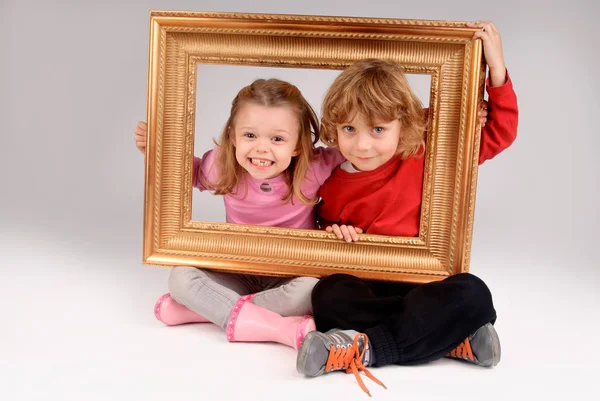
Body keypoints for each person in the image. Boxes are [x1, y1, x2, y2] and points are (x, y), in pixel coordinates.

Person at [296, 21, 518, 396]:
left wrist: (495, 72)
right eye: (349, 129)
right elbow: (324, 230)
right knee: (328, 295)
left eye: (378, 130)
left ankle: (364, 348)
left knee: (473, 293)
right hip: (371, 285)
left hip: (426, 280)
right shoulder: (332, 184)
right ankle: (448, 340)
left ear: (405, 124)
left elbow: (500, 131)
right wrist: (333, 234)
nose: (362, 145)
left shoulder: (427, 152)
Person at [134, 78, 346, 350]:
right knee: (181, 277)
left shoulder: (313, 167)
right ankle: (276, 327)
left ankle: (202, 311)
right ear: (233, 136)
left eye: (277, 139)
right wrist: (158, 150)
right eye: (250, 135)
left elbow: (358, 156)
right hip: (237, 269)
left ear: (297, 145)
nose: (261, 148)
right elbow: (192, 172)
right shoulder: (222, 165)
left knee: (312, 293)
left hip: (291, 273)